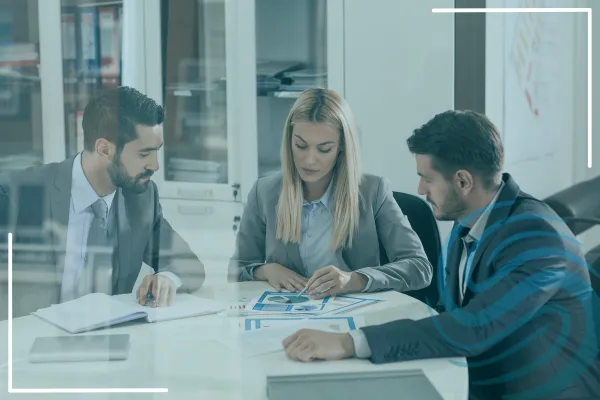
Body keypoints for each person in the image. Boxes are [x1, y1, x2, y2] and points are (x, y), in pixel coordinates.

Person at [282, 110, 600, 399]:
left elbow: (475, 326)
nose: (420, 189)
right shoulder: (469, 224)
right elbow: (449, 313)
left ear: (462, 181)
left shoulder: (538, 238)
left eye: (427, 178)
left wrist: (349, 342)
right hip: (471, 378)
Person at [0, 86, 205, 314]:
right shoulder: (17, 193)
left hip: (106, 341)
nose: (154, 165)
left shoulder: (141, 199)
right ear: (104, 149)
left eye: (156, 151)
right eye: (144, 154)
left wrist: (167, 278)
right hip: (26, 341)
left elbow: (189, 265)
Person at [228, 88, 432, 297]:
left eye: (324, 149)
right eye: (300, 146)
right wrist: (266, 270)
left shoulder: (373, 191)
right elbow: (236, 270)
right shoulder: (263, 192)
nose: (309, 160)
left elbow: (419, 267)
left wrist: (353, 280)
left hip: (352, 318)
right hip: (288, 316)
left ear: (342, 146)